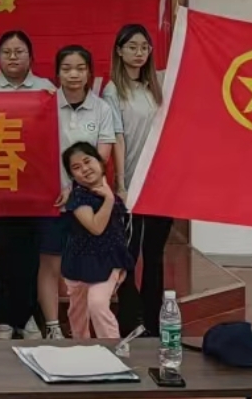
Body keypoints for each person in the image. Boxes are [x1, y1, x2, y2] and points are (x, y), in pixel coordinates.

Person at [0, 29, 57, 339]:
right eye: (7, 52)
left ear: (31, 56)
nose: (13, 57)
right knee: (0, 253)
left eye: (19, 51)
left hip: (33, 187)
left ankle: (26, 317)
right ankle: (2, 317)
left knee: (29, 255)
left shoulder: (46, 90)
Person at [44, 44, 120, 338]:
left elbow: (101, 157)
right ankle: (59, 329)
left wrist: (75, 188)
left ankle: (105, 342)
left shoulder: (102, 109)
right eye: (66, 69)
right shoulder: (46, 104)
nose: (73, 74)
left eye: (80, 68)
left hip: (90, 199)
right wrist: (60, 188)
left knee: (90, 268)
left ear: (89, 73)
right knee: (56, 265)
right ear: (57, 73)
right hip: (52, 200)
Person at [103, 24, 170, 336]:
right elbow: (116, 137)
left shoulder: (157, 86)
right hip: (131, 181)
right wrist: (120, 183)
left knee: (154, 254)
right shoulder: (113, 90)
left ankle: (154, 321)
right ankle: (131, 318)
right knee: (129, 253)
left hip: (160, 182)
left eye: (144, 47)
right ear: (119, 51)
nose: (139, 53)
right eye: (132, 47)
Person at [59, 142, 133, 341]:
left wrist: (122, 262)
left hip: (107, 261)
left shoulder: (112, 195)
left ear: (100, 162)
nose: (84, 169)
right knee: (77, 311)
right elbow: (96, 227)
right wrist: (108, 200)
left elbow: (118, 230)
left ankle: (113, 349)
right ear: (72, 176)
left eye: (87, 161)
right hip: (78, 261)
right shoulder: (78, 197)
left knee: (98, 304)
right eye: (76, 167)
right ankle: (81, 346)